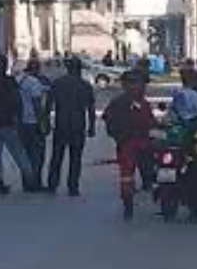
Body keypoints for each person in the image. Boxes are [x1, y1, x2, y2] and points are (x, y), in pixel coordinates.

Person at [101, 70, 156, 220]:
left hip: (141, 143)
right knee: (127, 176)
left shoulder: (141, 103)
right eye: (137, 84)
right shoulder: (121, 102)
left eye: (141, 84)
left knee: (142, 173)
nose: (141, 87)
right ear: (127, 85)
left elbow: (151, 122)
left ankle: (139, 196)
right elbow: (108, 119)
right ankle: (128, 204)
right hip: (129, 144)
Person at [0, 55, 38, 193]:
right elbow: (17, 101)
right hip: (8, 122)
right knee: (19, 153)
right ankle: (30, 179)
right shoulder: (10, 82)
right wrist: (18, 118)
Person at [46, 57, 97, 196]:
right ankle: (73, 186)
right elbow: (91, 109)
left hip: (61, 125)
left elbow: (48, 104)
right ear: (79, 69)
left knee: (57, 157)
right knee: (75, 158)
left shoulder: (58, 83)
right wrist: (92, 126)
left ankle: (52, 184)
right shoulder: (85, 85)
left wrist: (45, 122)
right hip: (77, 126)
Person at [19, 58, 53, 186]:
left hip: (22, 123)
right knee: (37, 154)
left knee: (26, 153)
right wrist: (43, 122)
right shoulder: (34, 83)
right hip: (34, 122)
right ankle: (35, 182)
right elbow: (37, 104)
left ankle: (26, 181)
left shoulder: (20, 80)